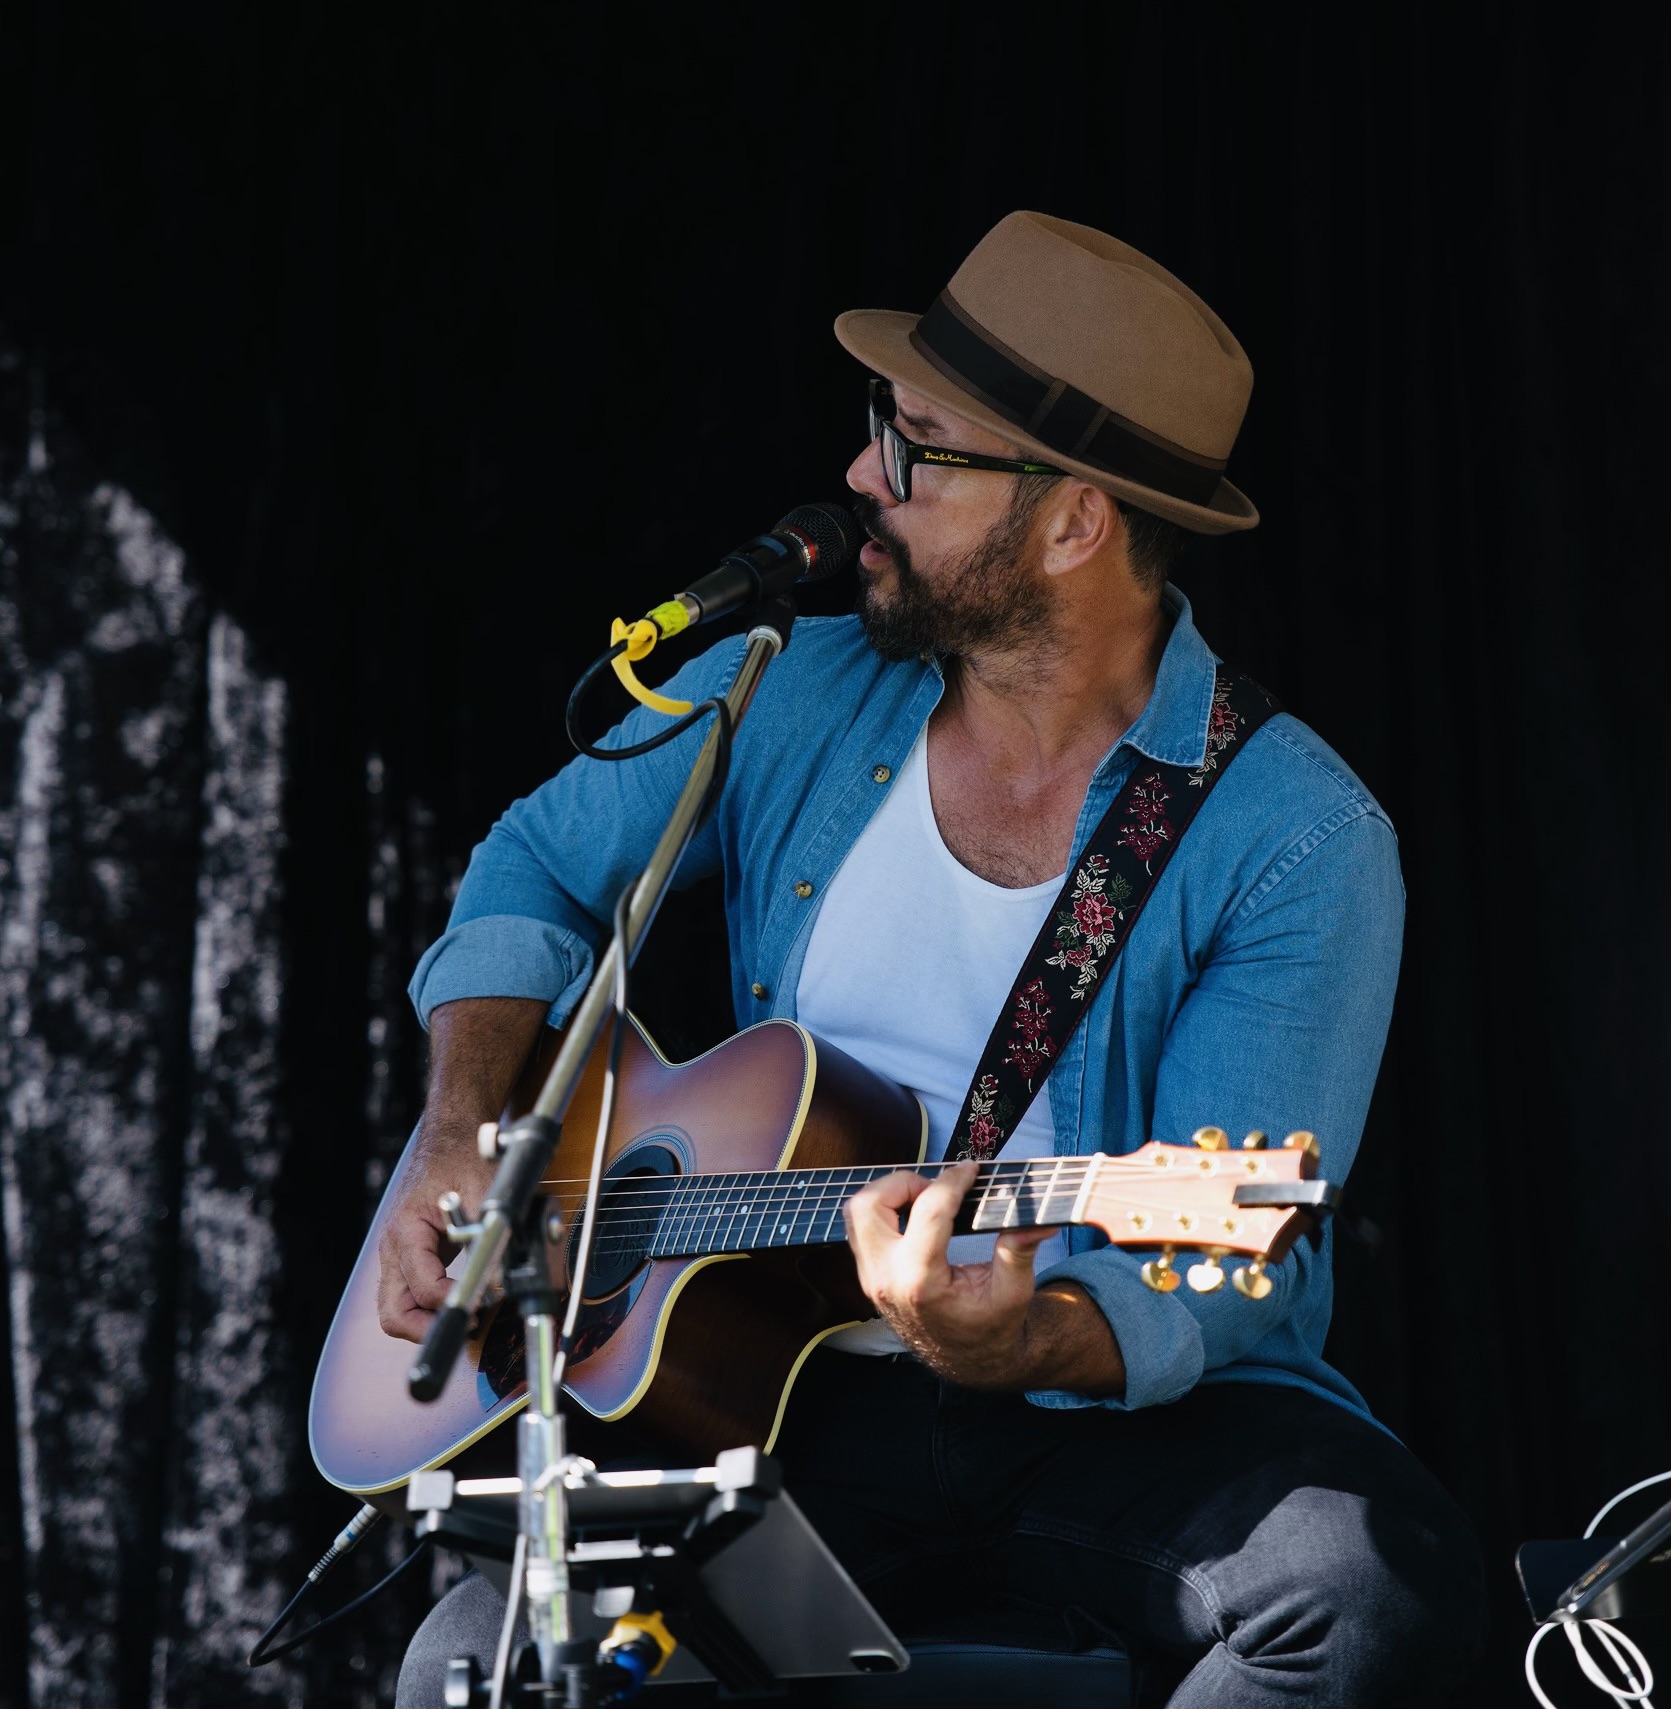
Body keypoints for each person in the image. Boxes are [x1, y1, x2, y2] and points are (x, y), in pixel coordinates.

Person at [384, 212, 1484, 1706]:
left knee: (1368, 1595)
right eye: (879, 426)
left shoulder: (1297, 836)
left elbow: (1219, 1273)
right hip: (780, 1400)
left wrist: (1017, 1335)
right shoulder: (784, 688)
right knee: (485, 1655)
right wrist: (458, 1133)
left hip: (1113, 1411)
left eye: (918, 449)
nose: (861, 478)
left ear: (1075, 523)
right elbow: (533, 865)